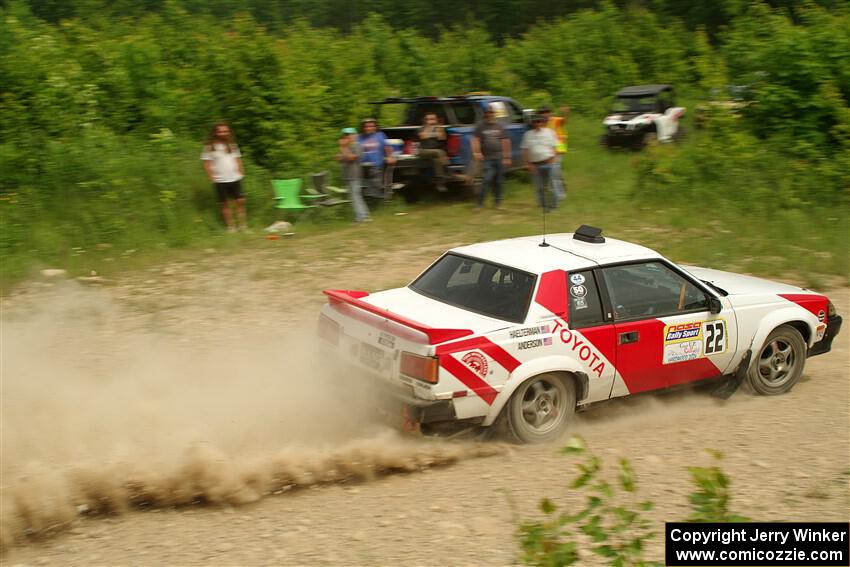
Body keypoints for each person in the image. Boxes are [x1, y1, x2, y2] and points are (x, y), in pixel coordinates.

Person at [201, 122, 247, 232]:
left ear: (228, 132)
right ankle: (231, 227)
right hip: (220, 180)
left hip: (235, 178)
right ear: (215, 132)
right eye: (220, 131)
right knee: (225, 204)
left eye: (225, 131)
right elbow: (206, 164)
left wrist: (241, 172)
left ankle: (243, 226)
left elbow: (238, 160)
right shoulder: (209, 147)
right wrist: (212, 178)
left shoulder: (232, 145)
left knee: (240, 201)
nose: (223, 133)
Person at [471, 104, 511, 210]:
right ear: (484, 114)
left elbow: (505, 141)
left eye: (491, 112)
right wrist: (477, 152)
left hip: (499, 157)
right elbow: (475, 140)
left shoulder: (500, 126)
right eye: (487, 113)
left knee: (499, 181)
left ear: (494, 114)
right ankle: (480, 204)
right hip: (487, 158)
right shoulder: (480, 126)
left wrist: (507, 157)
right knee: (487, 179)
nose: (489, 114)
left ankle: (498, 203)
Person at [520, 115, 559, 211]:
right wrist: (528, 164)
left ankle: (553, 206)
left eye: (539, 121)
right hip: (535, 165)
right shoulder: (528, 135)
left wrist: (553, 159)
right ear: (532, 123)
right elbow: (525, 150)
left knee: (551, 186)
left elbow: (555, 147)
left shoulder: (550, 132)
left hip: (548, 162)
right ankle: (543, 205)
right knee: (539, 187)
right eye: (535, 122)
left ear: (543, 122)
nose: (538, 124)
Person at [336, 127, 370, 223]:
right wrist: (343, 153)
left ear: (355, 135)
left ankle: (361, 218)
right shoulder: (347, 147)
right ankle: (364, 215)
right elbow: (338, 158)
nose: (347, 137)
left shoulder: (357, 146)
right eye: (345, 135)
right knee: (354, 197)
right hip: (347, 175)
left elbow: (351, 158)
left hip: (355, 175)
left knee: (356, 196)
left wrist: (343, 148)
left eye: (349, 135)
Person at [358, 118, 396, 199]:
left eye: (371, 126)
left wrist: (390, 156)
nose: (368, 128)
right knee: (365, 185)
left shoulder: (380, 135)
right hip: (362, 166)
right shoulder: (359, 137)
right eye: (366, 126)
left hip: (376, 165)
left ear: (375, 127)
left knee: (376, 184)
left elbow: (387, 147)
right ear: (363, 127)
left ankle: (381, 200)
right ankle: (372, 200)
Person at [539, 105, 569, 201]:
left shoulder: (555, 120)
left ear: (550, 113)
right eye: (543, 113)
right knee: (556, 171)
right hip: (549, 151)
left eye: (547, 112)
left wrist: (565, 112)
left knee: (553, 172)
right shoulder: (541, 123)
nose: (545, 114)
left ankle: (560, 195)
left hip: (559, 149)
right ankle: (562, 185)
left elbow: (564, 120)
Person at [417, 112, 448, 192]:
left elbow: (442, 137)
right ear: (425, 120)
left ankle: (440, 183)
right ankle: (446, 166)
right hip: (423, 151)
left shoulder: (439, 128)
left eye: (433, 119)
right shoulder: (421, 128)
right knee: (439, 152)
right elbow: (422, 136)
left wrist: (436, 130)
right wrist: (433, 132)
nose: (431, 120)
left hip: (435, 153)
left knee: (437, 160)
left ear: (436, 119)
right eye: (428, 119)